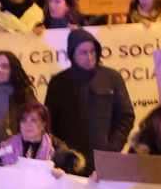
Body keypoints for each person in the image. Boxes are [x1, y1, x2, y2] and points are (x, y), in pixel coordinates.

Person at [43, 29, 135, 172]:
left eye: (92, 51)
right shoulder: (59, 83)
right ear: (72, 54)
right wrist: (63, 153)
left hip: (105, 160)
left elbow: (126, 115)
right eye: (83, 53)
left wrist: (112, 147)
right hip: (71, 162)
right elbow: (49, 123)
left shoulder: (112, 77)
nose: (90, 57)